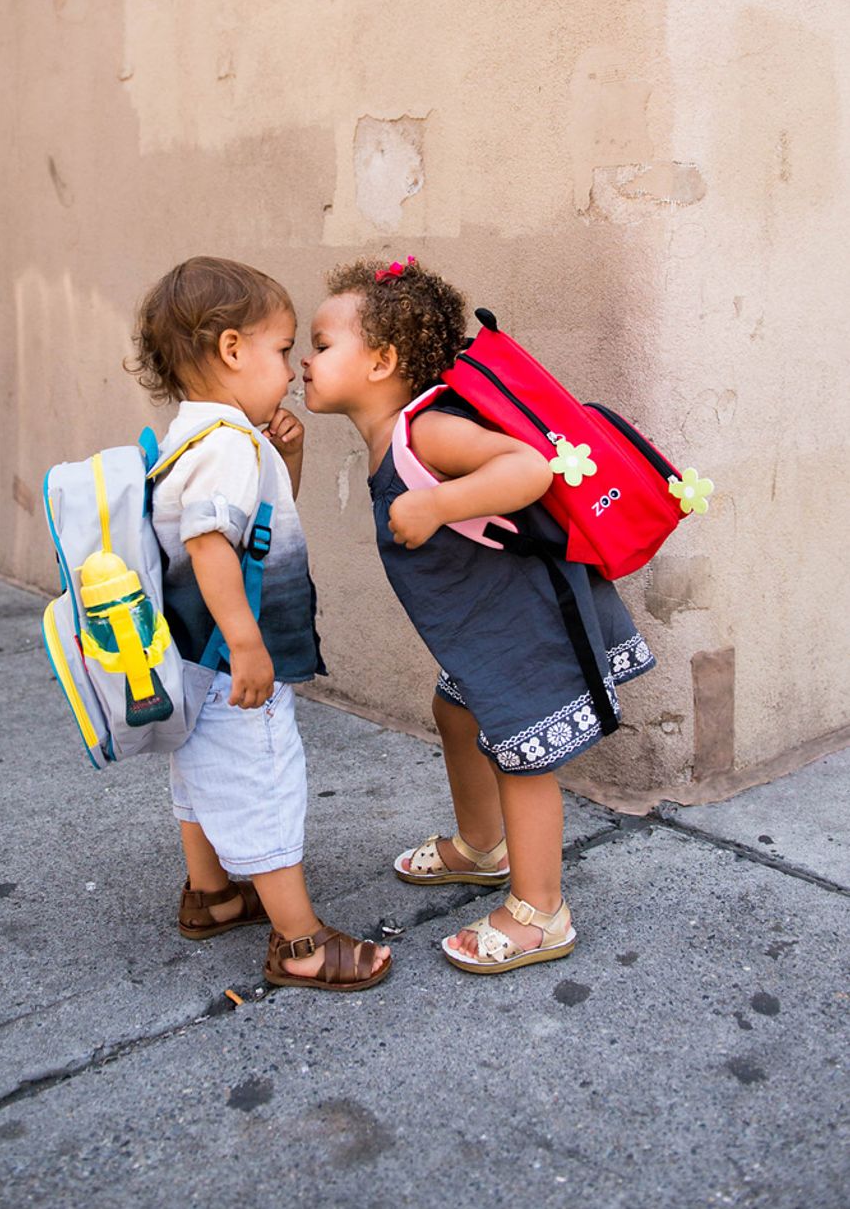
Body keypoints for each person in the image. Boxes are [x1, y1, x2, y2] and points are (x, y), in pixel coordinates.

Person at [302, 257, 655, 974]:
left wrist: (434, 504)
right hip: (482, 630)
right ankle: (482, 846)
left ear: (382, 361)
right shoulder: (392, 436)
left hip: (523, 625)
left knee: (522, 754)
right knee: (454, 712)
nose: (305, 361)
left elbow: (528, 467)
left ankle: (539, 912)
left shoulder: (426, 430)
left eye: (321, 343)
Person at [126, 256, 390, 991]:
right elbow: (213, 542)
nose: (290, 365)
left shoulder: (191, 438)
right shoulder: (228, 448)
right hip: (232, 658)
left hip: (192, 659)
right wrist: (248, 643)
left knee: (201, 771)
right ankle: (300, 940)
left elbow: (256, 531)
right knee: (263, 778)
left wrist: (287, 455)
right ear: (233, 349)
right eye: (280, 350)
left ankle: (211, 896)